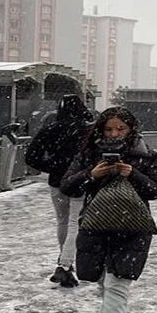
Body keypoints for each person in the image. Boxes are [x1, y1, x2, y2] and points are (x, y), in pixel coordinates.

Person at [60, 107, 157, 313]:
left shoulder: (146, 155)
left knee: (117, 282)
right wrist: (91, 174)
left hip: (133, 227)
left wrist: (134, 174)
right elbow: (67, 186)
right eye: (109, 129)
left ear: (131, 129)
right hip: (96, 225)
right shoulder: (88, 155)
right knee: (100, 280)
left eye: (121, 128)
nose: (114, 134)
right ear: (100, 129)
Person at [23, 94, 94, 288]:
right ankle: (65, 264)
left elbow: (31, 156)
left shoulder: (51, 128)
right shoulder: (88, 130)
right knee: (75, 222)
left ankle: (65, 262)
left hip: (57, 182)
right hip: (81, 180)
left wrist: (53, 166)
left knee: (62, 221)